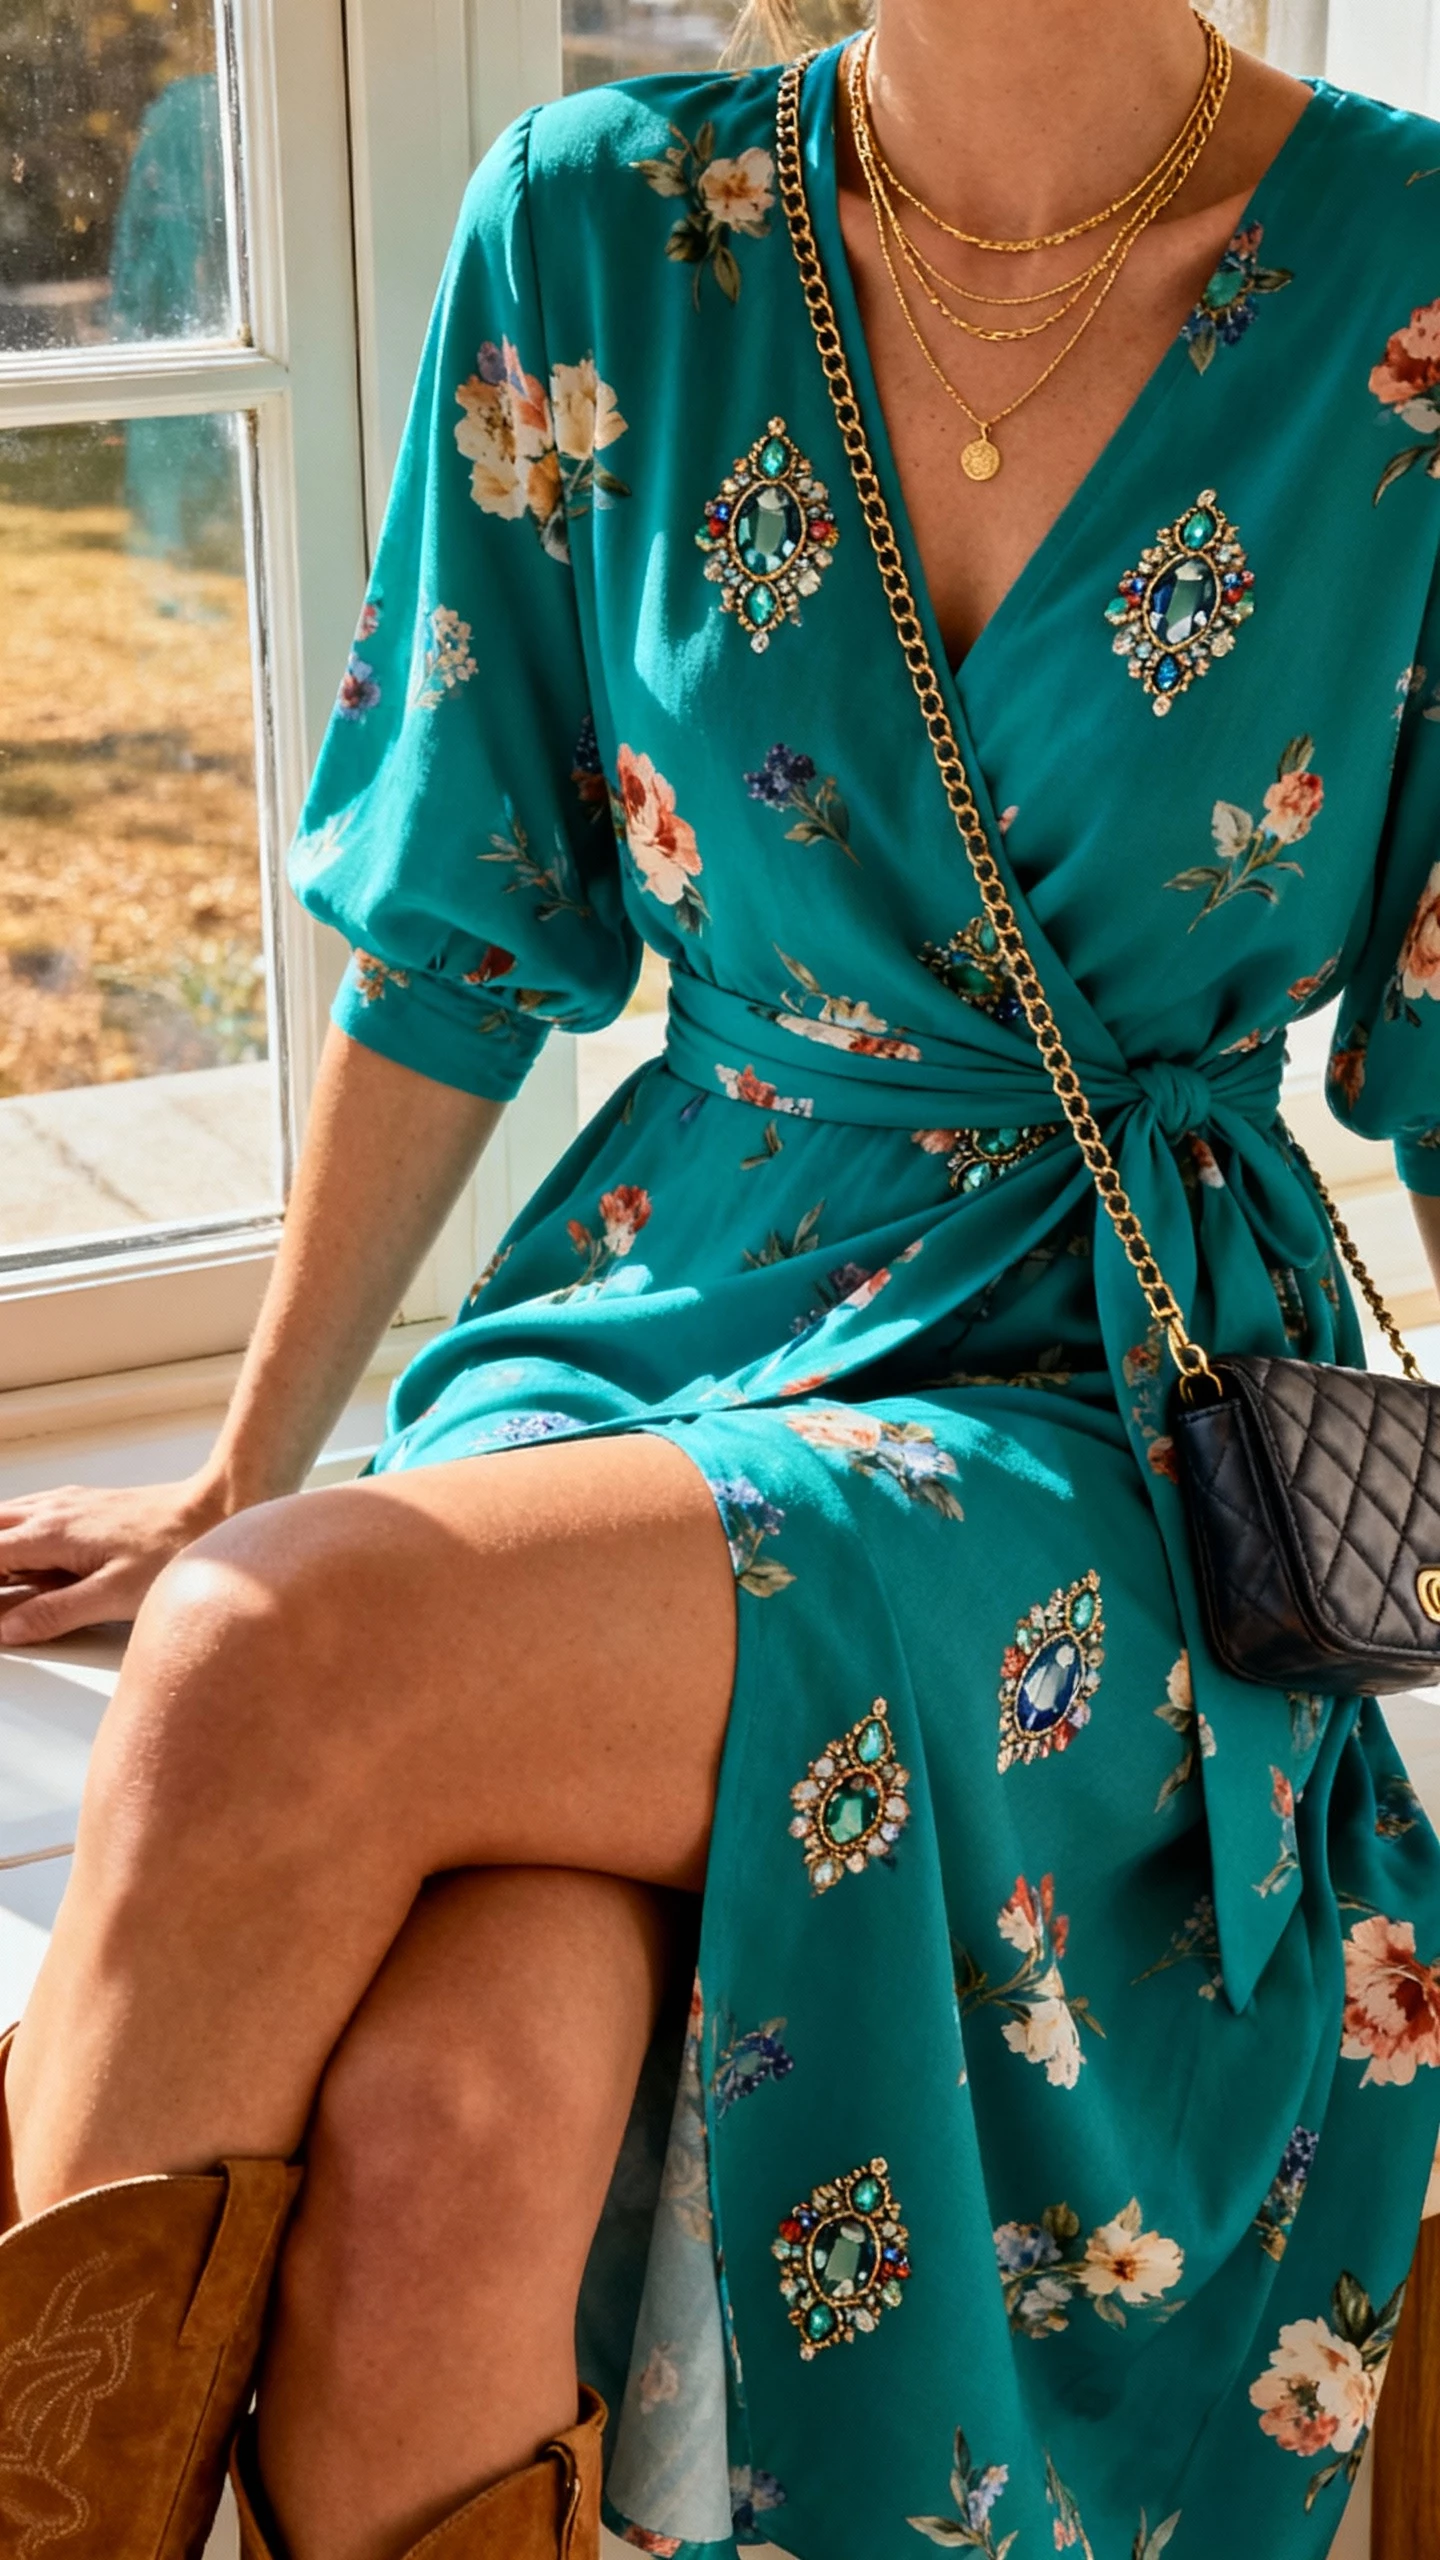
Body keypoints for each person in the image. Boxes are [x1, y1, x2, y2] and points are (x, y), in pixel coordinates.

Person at [2, 4, 1439, 2556]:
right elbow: (455, 930)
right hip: (658, 1317)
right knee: (466, 2120)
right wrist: (243, 1462)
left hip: (1105, 1417)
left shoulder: (1417, 280)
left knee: (253, 1653)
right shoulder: (594, 227)